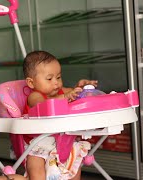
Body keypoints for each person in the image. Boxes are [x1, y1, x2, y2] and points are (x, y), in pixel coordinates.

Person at [22, 50, 98, 180]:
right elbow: (44, 105)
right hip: (38, 142)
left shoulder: (62, 91)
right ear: (31, 83)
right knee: (35, 164)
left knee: (75, 161)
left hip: (62, 140)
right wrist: (65, 97)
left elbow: (74, 93)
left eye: (58, 77)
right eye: (49, 78)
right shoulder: (34, 96)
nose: (56, 82)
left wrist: (81, 88)